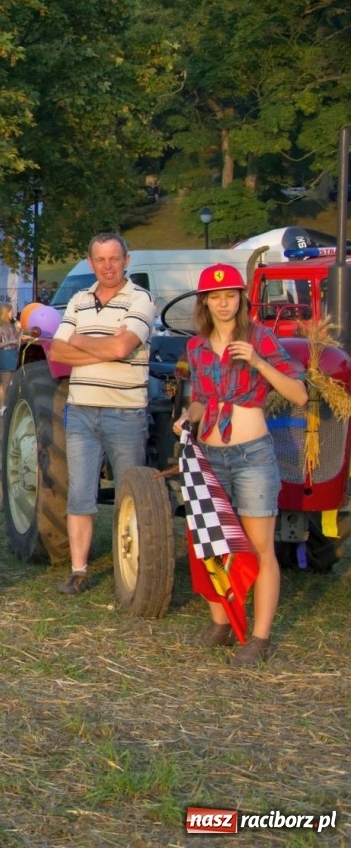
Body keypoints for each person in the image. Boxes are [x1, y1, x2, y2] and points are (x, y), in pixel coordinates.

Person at [173, 265, 306, 666]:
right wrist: (187, 417)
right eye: (215, 297)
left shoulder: (260, 338)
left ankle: (260, 637)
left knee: (260, 546)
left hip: (252, 455)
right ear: (205, 303)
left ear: (241, 299)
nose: (224, 302)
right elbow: (200, 399)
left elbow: (298, 394)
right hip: (210, 456)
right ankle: (222, 622)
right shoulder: (196, 347)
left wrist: (258, 362)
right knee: (211, 543)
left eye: (230, 295)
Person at [47, 234, 156, 595]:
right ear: (90, 262)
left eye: (114, 258)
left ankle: (136, 568)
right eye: (100, 259)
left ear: (126, 259)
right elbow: (57, 354)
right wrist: (105, 350)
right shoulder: (79, 300)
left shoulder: (140, 299)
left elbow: (124, 345)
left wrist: (81, 341)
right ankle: (79, 570)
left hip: (124, 412)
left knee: (132, 492)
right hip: (81, 410)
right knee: (79, 493)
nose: (107, 265)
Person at [0, 302, 20, 409]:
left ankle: (9, 405)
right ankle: (1, 407)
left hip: (13, 353)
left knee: (11, 383)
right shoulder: (0, 327)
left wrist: (18, 332)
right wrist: (9, 342)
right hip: (5, 354)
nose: (13, 313)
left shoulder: (11, 325)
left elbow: (16, 340)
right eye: (11, 311)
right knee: (5, 383)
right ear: (6, 312)